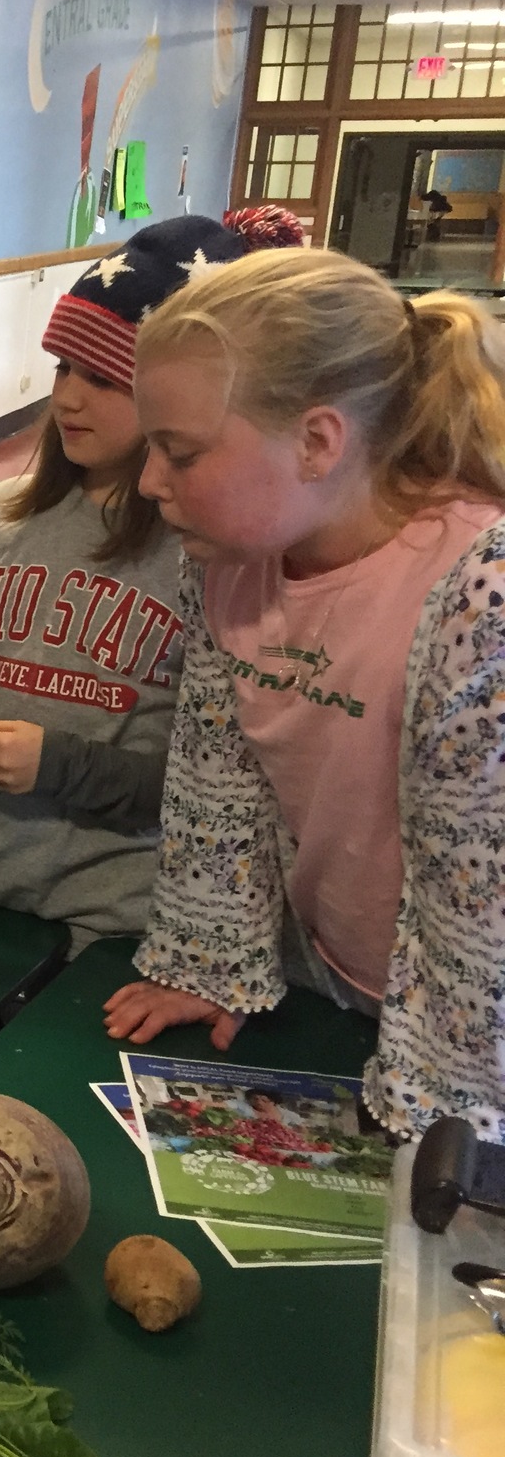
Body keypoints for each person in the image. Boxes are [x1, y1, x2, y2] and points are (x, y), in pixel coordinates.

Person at [103, 246, 505, 1143]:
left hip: (477, 1046)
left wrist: (448, 1099)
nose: (150, 482)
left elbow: (487, 887)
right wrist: (207, 956)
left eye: (181, 452)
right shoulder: (226, 566)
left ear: (318, 441)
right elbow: (221, 779)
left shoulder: (478, 592)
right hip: (336, 980)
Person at [0, 211, 302, 953]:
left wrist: (64, 767)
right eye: (63, 368)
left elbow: (221, 780)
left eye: (106, 379)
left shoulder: (209, 555)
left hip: (112, 923)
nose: (70, 399)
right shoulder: (2, 516)